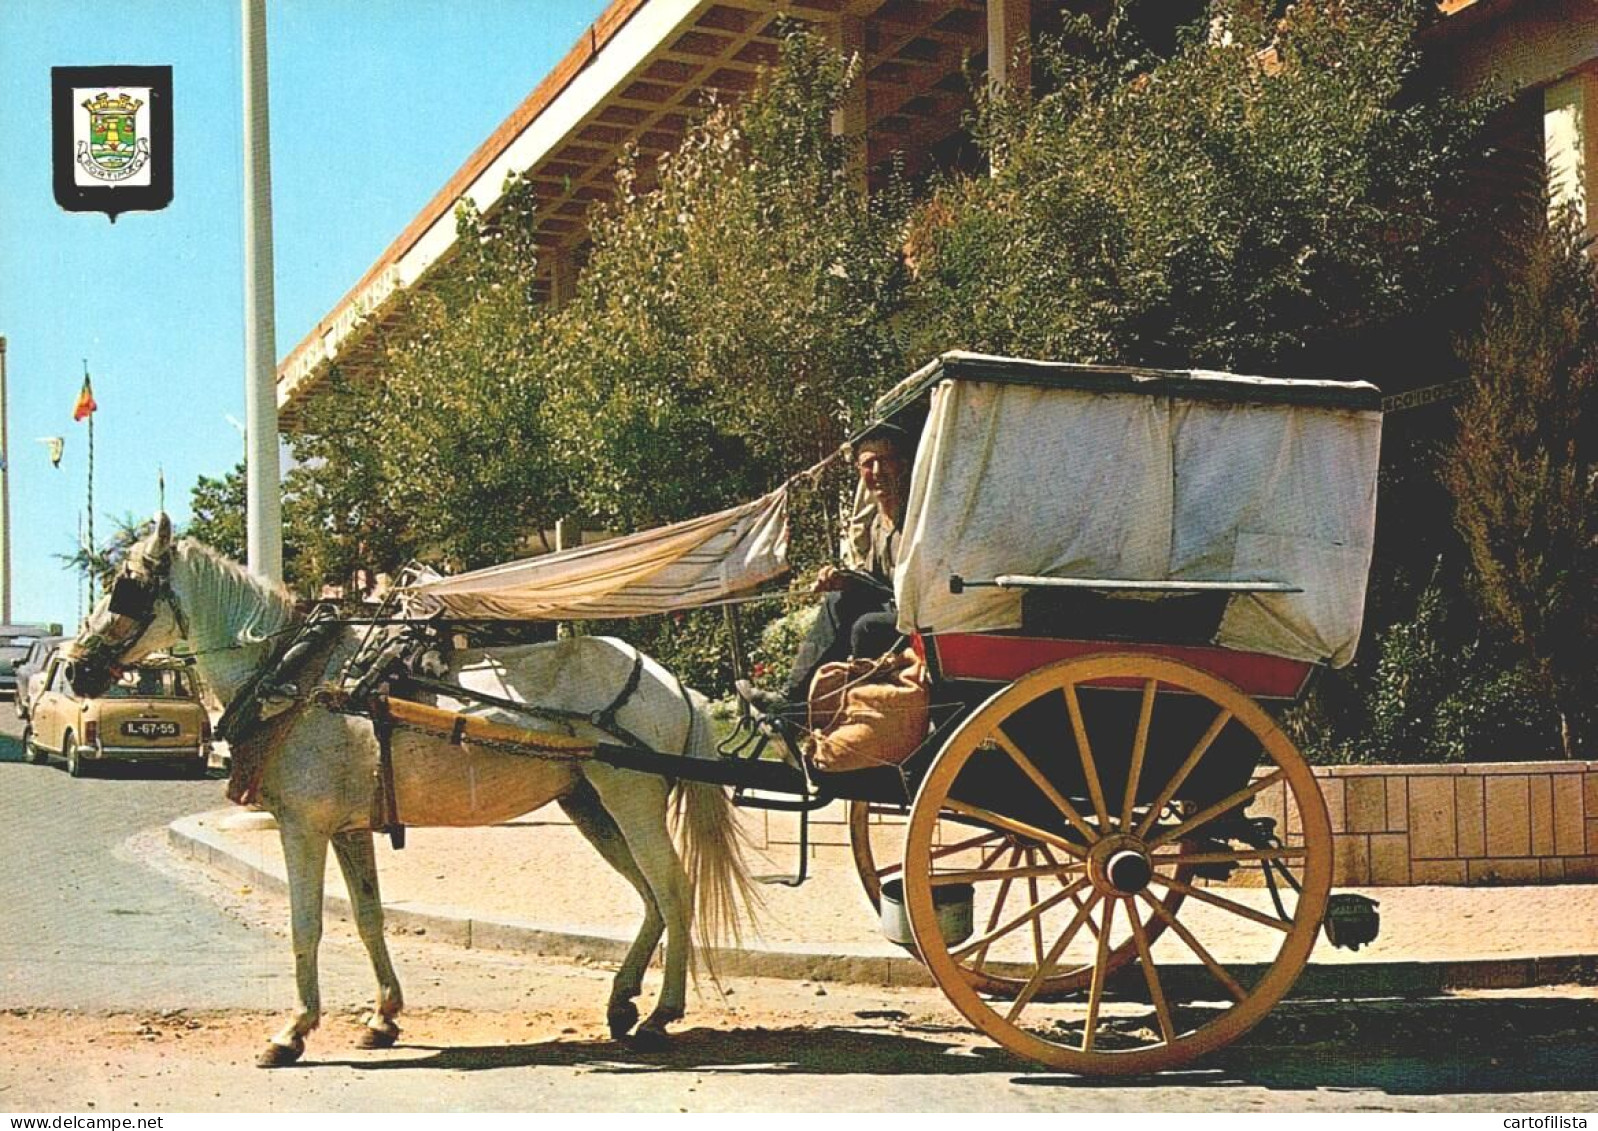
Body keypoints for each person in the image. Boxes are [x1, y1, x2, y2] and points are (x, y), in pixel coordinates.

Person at [739, 420, 912, 717]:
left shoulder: (915, 520)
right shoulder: (876, 526)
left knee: (866, 627)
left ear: (904, 465)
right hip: (892, 608)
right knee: (836, 601)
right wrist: (842, 579)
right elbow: (875, 583)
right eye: (868, 464)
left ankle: (858, 713)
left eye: (886, 461)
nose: (877, 472)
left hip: (917, 619)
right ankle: (792, 700)